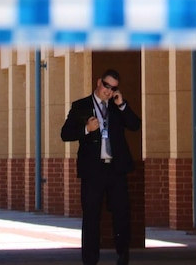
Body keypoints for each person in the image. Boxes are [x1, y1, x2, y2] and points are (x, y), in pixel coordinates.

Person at [61, 69, 141, 265]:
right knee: (91, 215)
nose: (108, 91)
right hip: (93, 171)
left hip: (116, 169)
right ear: (99, 83)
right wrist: (87, 129)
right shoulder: (81, 106)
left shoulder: (117, 106)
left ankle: (123, 255)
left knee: (121, 213)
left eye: (113, 88)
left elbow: (135, 125)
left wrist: (122, 105)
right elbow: (65, 134)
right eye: (106, 86)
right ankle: (90, 259)